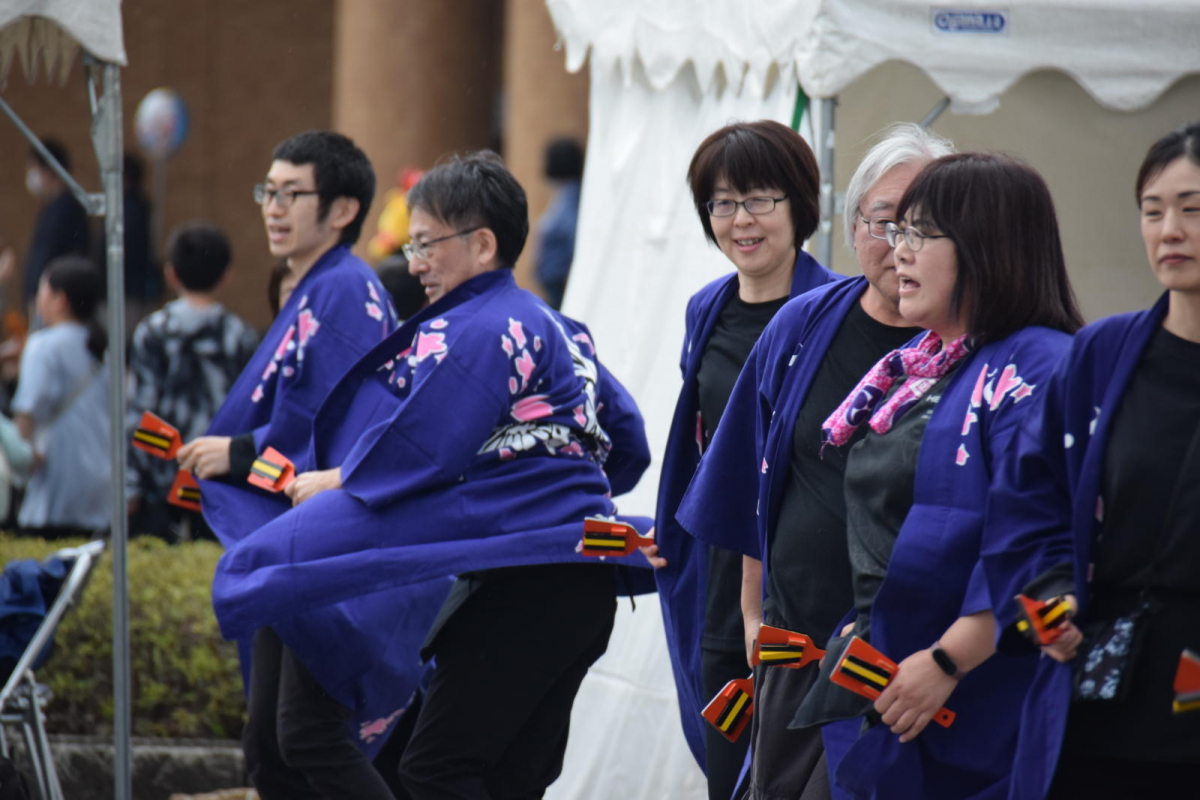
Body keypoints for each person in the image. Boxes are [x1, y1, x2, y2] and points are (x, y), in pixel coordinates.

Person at [208, 151, 653, 800]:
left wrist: (338, 482)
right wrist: (539, 488)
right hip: (577, 574)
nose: (413, 263)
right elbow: (628, 442)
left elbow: (422, 451)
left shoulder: (483, 326)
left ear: (481, 243)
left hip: (527, 579)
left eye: (424, 245)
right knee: (509, 779)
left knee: (432, 770)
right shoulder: (560, 326)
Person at [763, 153, 1081, 799]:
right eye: (894, 231)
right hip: (881, 675)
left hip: (974, 695)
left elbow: (1041, 544)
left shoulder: (1039, 368)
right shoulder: (921, 365)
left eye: (918, 234)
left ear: (986, 245)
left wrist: (947, 660)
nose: (897, 252)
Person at [677, 123, 953, 799]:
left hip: (902, 664)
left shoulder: (969, 346)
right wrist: (750, 615)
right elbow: (751, 476)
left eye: (922, 226)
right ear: (852, 223)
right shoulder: (800, 324)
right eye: (884, 222)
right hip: (790, 650)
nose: (899, 246)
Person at [176, 130, 402, 799]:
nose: (273, 207)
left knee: (302, 737)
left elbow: (326, 422)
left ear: (341, 211)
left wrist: (238, 451)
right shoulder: (318, 286)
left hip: (324, 539)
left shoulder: (342, 290)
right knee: (272, 745)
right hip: (297, 537)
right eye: (266, 192)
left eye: (291, 193)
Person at [981, 122, 1200, 799]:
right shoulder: (1101, 354)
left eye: (1193, 209)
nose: (1170, 230)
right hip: (1098, 695)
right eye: (1153, 209)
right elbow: (1028, 496)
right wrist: (1047, 595)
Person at [647, 118, 835, 798]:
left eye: (759, 198)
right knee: (726, 771)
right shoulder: (708, 309)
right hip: (722, 579)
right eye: (722, 203)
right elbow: (702, 443)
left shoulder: (836, 312)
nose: (740, 220)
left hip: (804, 586)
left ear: (799, 205)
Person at [126, 221, 258, 543]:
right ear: (226, 276)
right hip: (222, 483)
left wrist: (132, 484)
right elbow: (251, 414)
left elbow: (138, 414)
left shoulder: (152, 332)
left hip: (160, 485)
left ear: (171, 274)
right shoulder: (241, 336)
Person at [12, 256, 109, 539]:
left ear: (59, 300)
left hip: (58, 475)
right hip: (102, 481)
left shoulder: (43, 346)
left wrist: (21, 460)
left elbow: (26, 413)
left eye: (42, 290)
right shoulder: (105, 350)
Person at [21, 139, 89, 317]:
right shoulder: (51, 208)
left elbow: (55, 256)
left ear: (49, 171)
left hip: (56, 303)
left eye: (33, 168)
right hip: (45, 300)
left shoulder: (67, 209)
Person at [534, 138, 585, 310]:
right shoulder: (565, 194)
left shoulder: (571, 196)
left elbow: (574, 236)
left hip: (561, 285)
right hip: (556, 283)